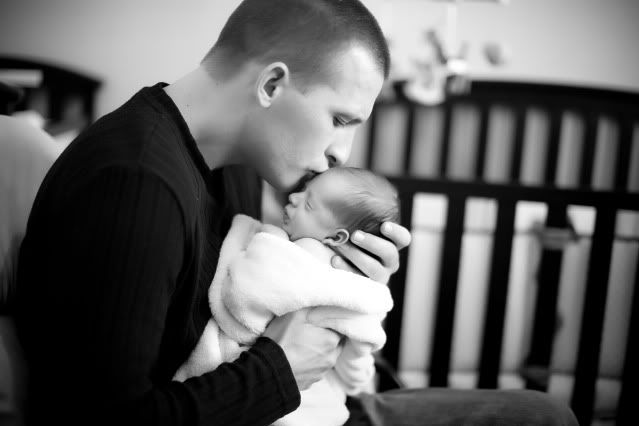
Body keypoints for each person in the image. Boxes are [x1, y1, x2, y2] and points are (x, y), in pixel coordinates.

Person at [14, 1, 578, 425]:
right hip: (261, 401)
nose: (343, 154)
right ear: (272, 84)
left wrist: (344, 285)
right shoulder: (134, 184)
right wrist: (278, 371)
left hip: (291, 405)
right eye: (340, 120)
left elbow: (254, 297)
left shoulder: (234, 165)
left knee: (543, 412)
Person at [173, 167, 400, 426]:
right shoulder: (359, 289)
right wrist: (354, 372)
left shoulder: (299, 255)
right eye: (303, 191)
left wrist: (267, 238)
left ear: (336, 237)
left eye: (309, 203)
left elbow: (242, 297)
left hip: (271, 401)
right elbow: (355, 367)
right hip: (315, 406)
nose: (294, 197)